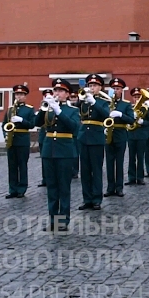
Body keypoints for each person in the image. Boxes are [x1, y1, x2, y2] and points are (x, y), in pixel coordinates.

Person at [38, 78, 82, 232]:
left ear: (68, 94)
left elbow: (74, 127)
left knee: (63, 187)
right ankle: (52, 220)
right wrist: (43, 109)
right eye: (55, 90)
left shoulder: (73, 111)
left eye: (61, 91)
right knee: (52, 187)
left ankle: (62, 220)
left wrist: (59, 111)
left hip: (65, 151)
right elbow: (37, 123)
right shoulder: (48, 109)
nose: (57, 93)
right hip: (49, 150)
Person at [78, 75, 111, 211]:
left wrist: (94, 103)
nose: (92, 88)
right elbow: (77, 112)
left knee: (96, 170)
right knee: (85, 171)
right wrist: (84, 99)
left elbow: (105, 114)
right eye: (90, 85)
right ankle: (87, 199)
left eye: (95, 86)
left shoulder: (103, 101)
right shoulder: (84, 100)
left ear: (100, 87)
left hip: (96, 137)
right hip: (83, 137)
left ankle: (97, 199)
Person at [4, 84, 36, 199]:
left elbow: (32, 124)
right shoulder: (10, 109)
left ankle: (22, 189)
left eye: (21, 94)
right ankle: (12, 189)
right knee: (12, 166)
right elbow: (4, 124)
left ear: (25, 96)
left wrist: (21, 120)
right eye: (17, 94)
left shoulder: (29, 109)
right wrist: (6, 136)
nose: (18, 96)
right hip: (11, 140)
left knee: (22, 165)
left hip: (22, 139)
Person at [105, 78, 135, 197]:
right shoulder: (106, 104)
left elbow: (131, 120)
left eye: (118, 89)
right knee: (109, 163)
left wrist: (121, 114)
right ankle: (110, 188)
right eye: (113, 89)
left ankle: (119, 187)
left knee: (119, 162)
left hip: (120, 134)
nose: (115, 91)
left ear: (122, 90)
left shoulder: (126, 104)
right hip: (108, 134)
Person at [126, 87, 149, 186]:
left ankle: (140, 178)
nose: (136, 99)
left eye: (138, 97)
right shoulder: (129, 108)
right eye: (135, 97)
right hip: (131, 135)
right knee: (131, 157)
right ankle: (131, 177)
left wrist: (142, 121)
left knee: (140, 157)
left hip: (141, 135)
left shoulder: (145, 108)